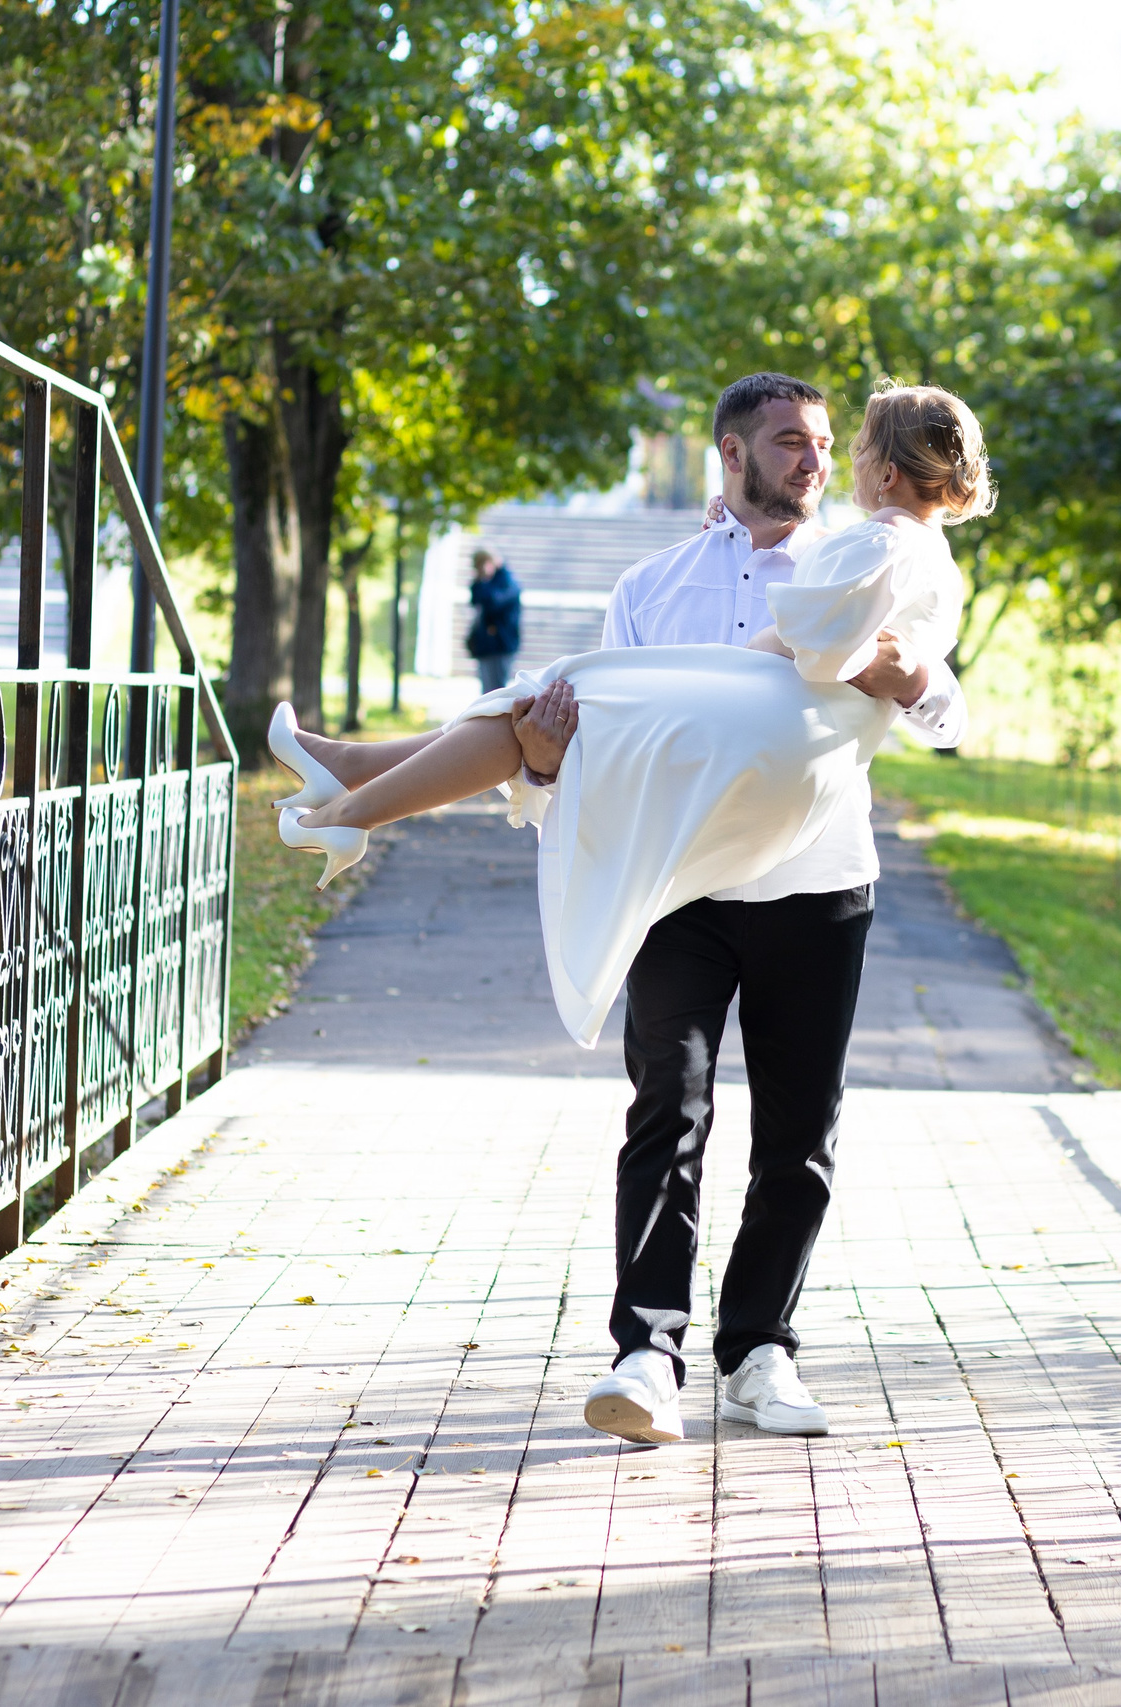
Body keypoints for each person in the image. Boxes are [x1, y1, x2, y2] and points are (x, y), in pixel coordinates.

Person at [269, 378, 984, 1445]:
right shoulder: (651, 584)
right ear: (730, 453)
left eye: (826, 445)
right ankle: (647, 1353)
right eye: (790, 442)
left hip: (817, 880)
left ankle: (760, 1353)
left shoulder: (858, 555)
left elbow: (947, 711)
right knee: (666, 1109)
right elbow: (597, 746)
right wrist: (542, 762)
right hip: (676, 884)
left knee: (799, 1134)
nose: (813, 461)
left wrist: (916, 677)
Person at [467, 549, 522, 693]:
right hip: (485, 644)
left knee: (497, 689)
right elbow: (475, 598)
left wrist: (484, 581)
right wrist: (481, 580)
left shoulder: (507, 582)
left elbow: (494, 603)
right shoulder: (485, 582)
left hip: (501, 643)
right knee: (487, 689)